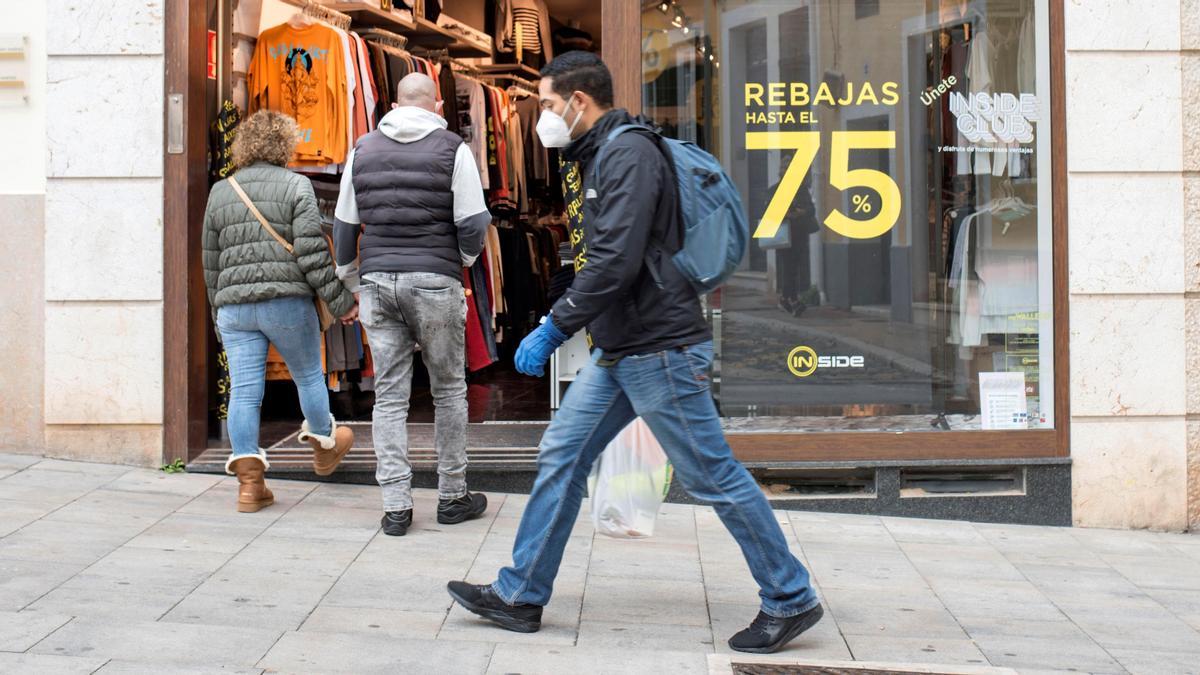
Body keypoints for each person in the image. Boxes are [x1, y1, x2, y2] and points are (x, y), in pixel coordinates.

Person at [445, 52, 824, 654]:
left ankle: (790, 596)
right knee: (562, 457)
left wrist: (554, 327)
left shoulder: (627, 153)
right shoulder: (604, 152)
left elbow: (617, 262)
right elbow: (611, 257)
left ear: (577, 101)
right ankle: (520, 595)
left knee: (714, 476)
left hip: (661, 349)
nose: (541, 117)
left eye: (545, 105)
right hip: (625, 347)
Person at [333, 73, 492, 537]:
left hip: (379, 281)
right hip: (435, 281)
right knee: (447, 389)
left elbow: (345, 226)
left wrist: (353, 278)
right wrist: (458, 260)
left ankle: (397, 506)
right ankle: (452, 496)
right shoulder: (451, 148)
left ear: (394, 103)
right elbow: (473, 220)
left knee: (389, 396)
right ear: (437, 104)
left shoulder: (363, 148)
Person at [202, 109, 358, 514]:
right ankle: (324, 447)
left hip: (234, 308)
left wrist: (219, 314)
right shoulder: (297, 186)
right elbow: (311, 254)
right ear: (285, 144)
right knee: (307, 374)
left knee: (245, 391)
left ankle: (250, 486)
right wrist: (341, 302)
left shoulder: (221, 191)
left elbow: (211, 263)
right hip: (286, 302)